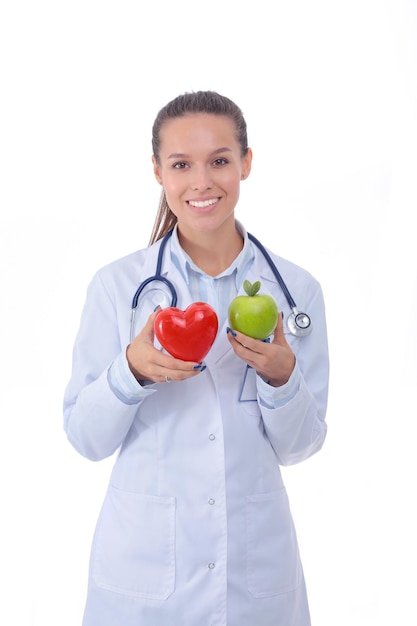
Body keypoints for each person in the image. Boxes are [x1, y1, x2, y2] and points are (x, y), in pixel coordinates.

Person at [63, 90, 330, 626]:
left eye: (220, 161)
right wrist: (130, 372)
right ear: (158, 172)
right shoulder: (119, 287)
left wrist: (282, 379)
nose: (202, 182)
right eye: (181, 164)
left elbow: (301, 447)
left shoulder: (296, 291)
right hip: (142, 580)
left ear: (246, 164)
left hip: (255, 576)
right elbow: (85, 439)